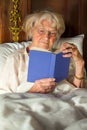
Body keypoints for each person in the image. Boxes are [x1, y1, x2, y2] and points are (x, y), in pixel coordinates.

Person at [0, 10, 85, 94]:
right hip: (31, 103)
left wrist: (79, 63)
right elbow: (5, 95)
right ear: (31, 30)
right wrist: (31, 90)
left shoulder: (62, 56)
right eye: (41, 31)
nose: (46, 37)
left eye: (52, 33)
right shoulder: (16, 58)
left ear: (56, 37)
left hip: (64, 101)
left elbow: (78, 91)